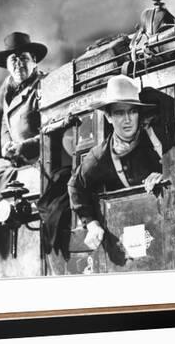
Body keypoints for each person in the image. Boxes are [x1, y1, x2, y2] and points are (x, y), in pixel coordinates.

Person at [68, 75, 163, 250]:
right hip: (127, 234)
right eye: (119, 113)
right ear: (109, 117)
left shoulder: (156, 139)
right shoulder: (100, 156)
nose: (127, 119)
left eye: (132, 111)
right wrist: (91, 223)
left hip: (163, 223)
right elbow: (75, 186)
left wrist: (164, 175)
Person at [0, 32, 47, 251]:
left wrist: (23, 146)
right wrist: (6, 146)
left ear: (34, 60)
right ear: (7, 66)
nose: (18, 63)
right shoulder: (8, 91)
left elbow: (51, 131)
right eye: (13, 60)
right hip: (15, 159)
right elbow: (5, 123)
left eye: (23, 58)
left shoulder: (44, 87)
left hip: (39, 160)